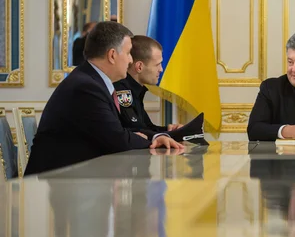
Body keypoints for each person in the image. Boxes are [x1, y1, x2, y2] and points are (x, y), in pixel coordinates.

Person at [25, 22, 183, 176]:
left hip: (73, 178)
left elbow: (117, 133)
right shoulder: (86, 87)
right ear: (112, 55)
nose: (130, 61)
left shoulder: (90, 80)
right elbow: (118, 140)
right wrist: (147, 139)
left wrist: (140, 136)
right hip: (55, 182)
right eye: (128, 53)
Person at [113, 35, 183, 133]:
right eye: (157, 64)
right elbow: (136, 130)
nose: (161, 69)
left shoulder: (136, 90)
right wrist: (167, 135)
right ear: (140, 67)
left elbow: (146, 128)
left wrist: (170, 131)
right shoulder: (122, 90)